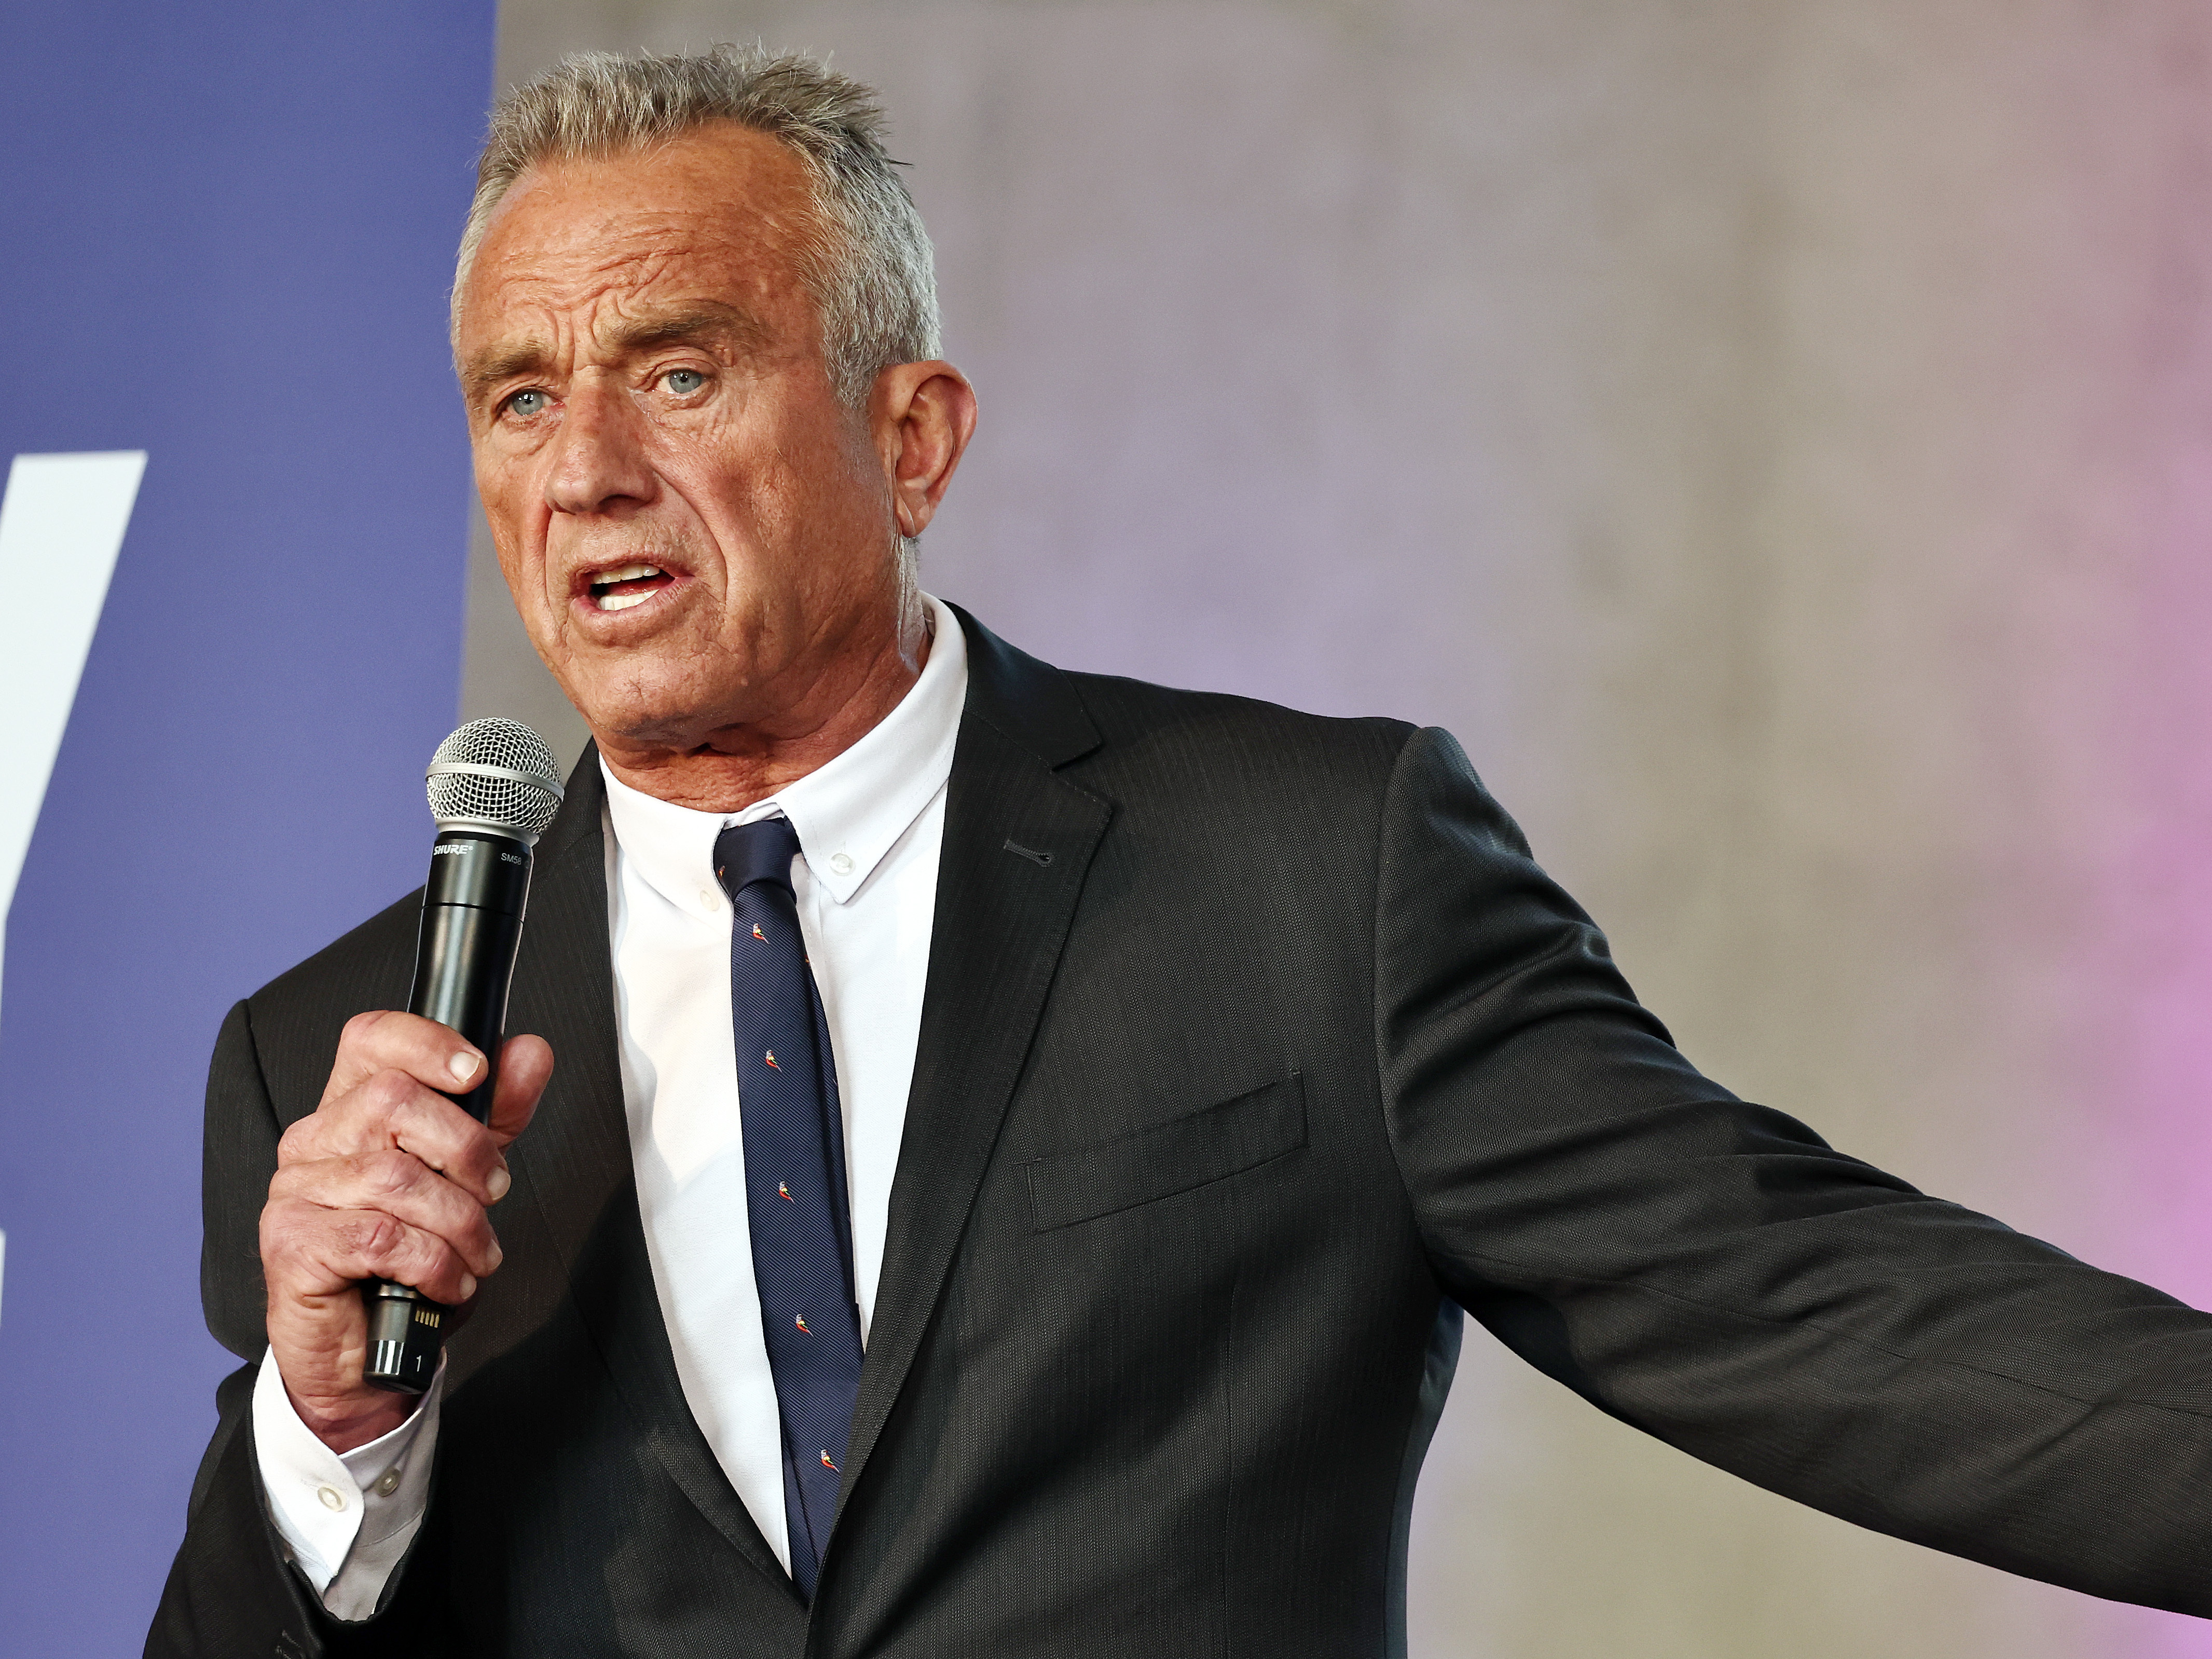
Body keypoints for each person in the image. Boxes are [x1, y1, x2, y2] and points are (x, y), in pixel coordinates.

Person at [148, 44, 2212, 1659]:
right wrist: (331, 1434)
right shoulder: (337, 1063)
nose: (585, 465)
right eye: (518, 399)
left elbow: (1819, 1307)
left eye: (677, 369)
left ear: (914, 432)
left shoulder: (1316, 878)